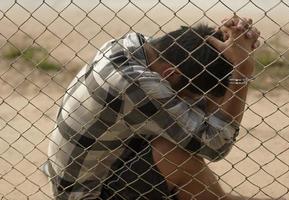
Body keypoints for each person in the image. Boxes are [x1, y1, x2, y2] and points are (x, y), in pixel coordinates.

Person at [47, 15, 263, 200]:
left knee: (177, 135)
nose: (201, 103)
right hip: (86, 194)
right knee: (173, 152)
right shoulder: (136, 85)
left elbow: (191, 54)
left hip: (84, 174)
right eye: (193, 96)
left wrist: (221, 40)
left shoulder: (135, 44)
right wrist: (241, 70)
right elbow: (216, 146)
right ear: (170, 74)